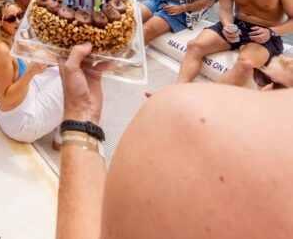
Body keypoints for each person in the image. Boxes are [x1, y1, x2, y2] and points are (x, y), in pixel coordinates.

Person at [54, 42, 293, 239]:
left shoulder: (177, 121)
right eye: (261, 78)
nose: (264, 91)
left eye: (279, 88)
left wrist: (80, 113)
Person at [0, 0, 63, 143]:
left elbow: (43, 54)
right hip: (20, 123)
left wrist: (67, 55)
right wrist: (30, 72)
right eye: (11, 19)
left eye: (20, 15)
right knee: (73, 81)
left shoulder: (9, 37)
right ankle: (60, 137)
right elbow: (5, 100)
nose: (18, 21)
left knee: (61, 69)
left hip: (13, 107)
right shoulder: (1, 50)